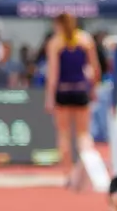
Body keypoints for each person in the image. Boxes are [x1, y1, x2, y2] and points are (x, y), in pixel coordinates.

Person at [43, 12, 100, 188]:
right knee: (83, 134)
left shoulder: (55, 43)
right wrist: (93, 88)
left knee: (64, 134)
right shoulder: (85, 40)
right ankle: (88, 172)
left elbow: (53, 73)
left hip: (63, 91)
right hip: (80, 89)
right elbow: (95, 68)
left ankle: (68, 173)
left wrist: (50, 97)